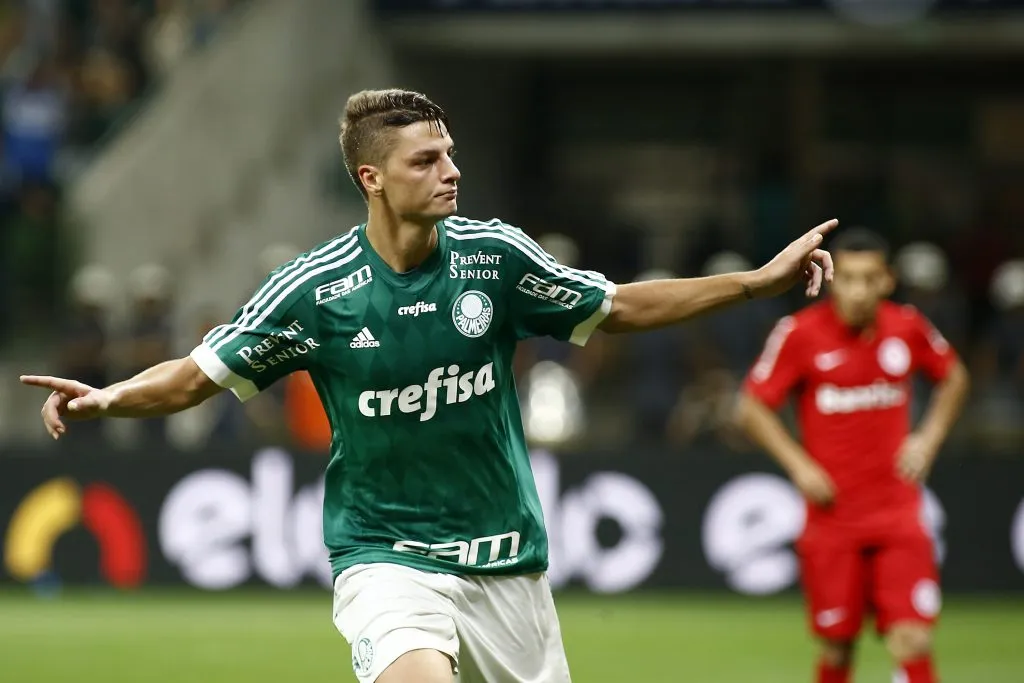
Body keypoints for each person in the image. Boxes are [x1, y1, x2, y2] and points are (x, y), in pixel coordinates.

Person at [22, 88, 836, 683]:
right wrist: (111, 395)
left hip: (506, 558)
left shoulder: (497, 258)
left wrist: (756, 283)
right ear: (373, 178)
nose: (452, 169)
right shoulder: (316, 292)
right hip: (387, 556)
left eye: (449, 152)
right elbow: (198, 374)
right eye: (427, 159)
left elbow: (617, 304)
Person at [735, 228, 970, 683]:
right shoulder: (800, 333)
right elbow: (750, 406)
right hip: (833, 519)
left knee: (912, 639)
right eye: (849, 279)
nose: (859, 291)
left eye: (870, 279)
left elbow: (954, 377)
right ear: (831, 279)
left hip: (898, 517)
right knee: (838, 647)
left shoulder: (908, 326)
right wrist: (799, 464)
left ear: (887, 280)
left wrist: (929, 438)